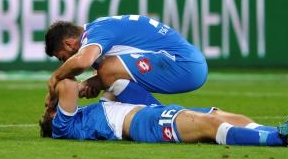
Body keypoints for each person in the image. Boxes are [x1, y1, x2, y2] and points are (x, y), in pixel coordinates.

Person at [40, 78, 288, 148]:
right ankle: (279, 140)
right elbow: (65, 85)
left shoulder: (96, 111)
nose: (53, 107)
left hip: (153, 112)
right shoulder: (64, 126)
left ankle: (285, 133)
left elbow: (117, 82)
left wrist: (96, 83)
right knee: (209, 125)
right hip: (142, 124)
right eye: (51, 110)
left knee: (227, 115)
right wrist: (60, 88)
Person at [44, 14, 208, 106]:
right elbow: (115, 73)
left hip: (182, 63)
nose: (65, 64)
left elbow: (82, 62)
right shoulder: (98, 27)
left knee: (107, 69)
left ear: (69, 44)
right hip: (186, 62)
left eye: (63, 58)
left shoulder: (95, 33)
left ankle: (162, 118)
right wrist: (84, 86)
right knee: (109, 95)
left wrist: (55, 78)